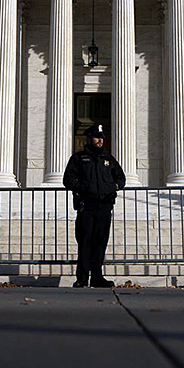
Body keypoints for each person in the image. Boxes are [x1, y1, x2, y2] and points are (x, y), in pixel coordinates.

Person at [62, 123, 126, 288]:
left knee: (100, 241)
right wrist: (84, 188)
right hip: (87, 206)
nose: (100, 140)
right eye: (97, 138)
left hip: (104, 205)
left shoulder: (108, 159)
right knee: (85, 241)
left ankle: (97, 277)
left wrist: (114, 187)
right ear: (89, 138)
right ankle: (82, 278)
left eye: (102, 138)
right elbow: (68, 180)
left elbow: (121, 178)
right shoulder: (78, 158)